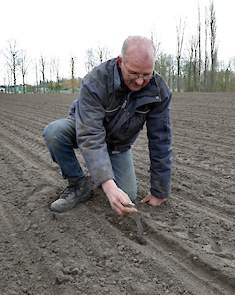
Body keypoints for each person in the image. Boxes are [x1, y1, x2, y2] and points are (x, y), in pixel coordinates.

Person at [43, 36, 172, 216]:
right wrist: (108, 185)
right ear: (121, 62)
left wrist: (159, 190)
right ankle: (79, 184)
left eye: (146, 74)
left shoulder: (158, 91)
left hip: (118, 144)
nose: (140, 81)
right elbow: (90, 135)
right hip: (84, 129)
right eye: (134, 73)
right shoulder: (96, 81)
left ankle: (100, 175)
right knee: (55, 132)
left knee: (129, 195)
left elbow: (161, 140)